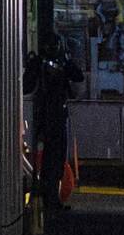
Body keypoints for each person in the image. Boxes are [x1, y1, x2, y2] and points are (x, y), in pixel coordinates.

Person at [24, 32, 84, 209]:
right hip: (50, 116)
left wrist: (63, 63)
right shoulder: (42, 64)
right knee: (52, 158)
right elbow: (28, 85)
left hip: (49, 116)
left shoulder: (55, 63)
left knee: (54, 159)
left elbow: (77, 76)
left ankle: (51, 198)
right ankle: (48, 198)